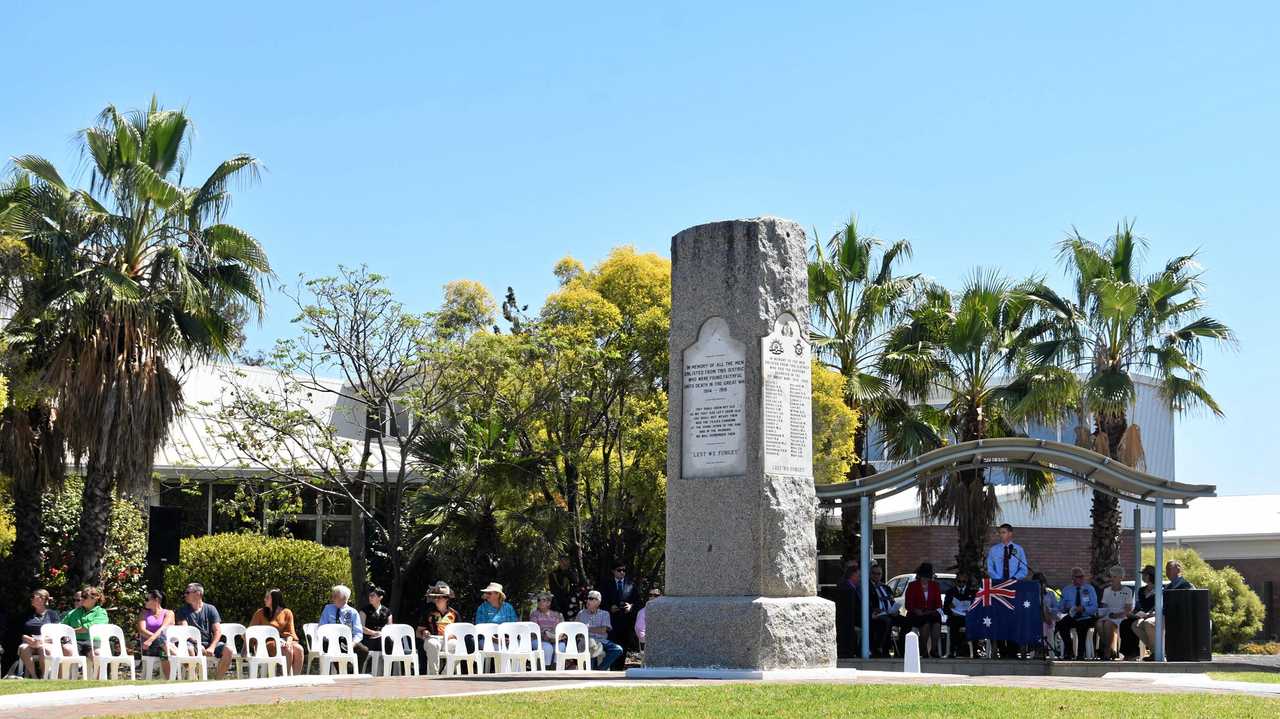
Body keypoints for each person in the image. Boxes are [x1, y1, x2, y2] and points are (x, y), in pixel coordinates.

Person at [177, 582, 231, 678]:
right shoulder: (182, 610)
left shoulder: (211, 609)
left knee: (228, 650)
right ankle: (195, 679)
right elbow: (185, 631)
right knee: (189, 649)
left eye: (187, 592)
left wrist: (212, 647)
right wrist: (198, 644)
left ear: (198, 593)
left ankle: (217, 681)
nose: (185, 595)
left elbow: (218, 631)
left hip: (208, 643)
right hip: (191, 643)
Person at [250, 588, 303, 675]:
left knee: (299, 649)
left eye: (267, 597)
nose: (264, 599)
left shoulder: (287, 612)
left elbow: (290, 632)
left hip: (284, 640)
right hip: (267, 643)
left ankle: (294, 679)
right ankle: (285, 677)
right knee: (287, 650)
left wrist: (288, 642)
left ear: (275, 599)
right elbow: (251, 631)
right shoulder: (260, 613)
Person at [1054, 567, 1099, 660]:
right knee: (1061, 624)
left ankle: (1080, 654)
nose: (1082, 578)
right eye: (1079, 577)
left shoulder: (1089, 589)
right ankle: (1069, 650)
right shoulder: (1067, 590)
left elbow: (1094, 607)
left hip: (1087, 616)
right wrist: (1065, 608)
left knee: (1081, 626)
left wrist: (1083, 608)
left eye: (1083, 576)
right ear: (1073, 578)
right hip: (1072, 615)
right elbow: (1060, 607)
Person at [417, 582, 460, 675]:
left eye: (439, 597)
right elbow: (418, 632)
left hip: (448, 641)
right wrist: (424, 632)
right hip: (432, 639)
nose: (436, 599)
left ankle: (445, 674)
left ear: (446, 598)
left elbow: (460, 633)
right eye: (435, 596)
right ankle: (434, 674)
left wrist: (453, 636)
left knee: (459, 646)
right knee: (432, 644)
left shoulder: (454, 613)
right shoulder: (427, 612)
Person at [16, 589, 61, 678]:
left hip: (47, 642)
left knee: (42, 649)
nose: (31, 599)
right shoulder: (27, 614)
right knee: (24, 648)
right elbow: (20, 632)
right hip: (30, 642)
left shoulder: (52, 614)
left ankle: (44, 676)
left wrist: (41, 641)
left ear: (43, 599)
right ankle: (34, 676)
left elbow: (57, 632)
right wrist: (28, 639)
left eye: (33, 597)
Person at [319, 584, 367, 666]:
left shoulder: (352, 612)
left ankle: (353, 671)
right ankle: (342, 672)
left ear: (344, 598)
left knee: (363, 650)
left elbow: (358, 633)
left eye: (336, 596)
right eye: (333, 595)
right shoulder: (328, 608)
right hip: (332, 641)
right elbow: (322, 627)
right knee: (335, 649)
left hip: (348, 641)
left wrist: (353, 643)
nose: (333, 598)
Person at [903, 563, 944, 659]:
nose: (925, 579)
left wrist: (931, 611)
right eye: (923, 577)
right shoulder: (912, 586)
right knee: (925, 624)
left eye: (927, 577)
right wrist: (916, 610)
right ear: (919, 576)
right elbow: (908, 604)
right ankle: (924, 649)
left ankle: (934, 650)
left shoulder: (935, 585)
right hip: (915, 614)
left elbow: (939, 603)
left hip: (930, 612)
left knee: (936, 622)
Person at [576, 590, 623, 670]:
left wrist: (587, 628)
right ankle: (592, 671)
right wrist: (590, 630)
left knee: (618, 649)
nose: (588, 601)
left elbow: (603, 630)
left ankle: (600, 669)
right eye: (587, 598)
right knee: (592, 644)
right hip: (586, 641)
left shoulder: (604, 614)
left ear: (598, 602)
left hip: (602, 641)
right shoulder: (581, 614)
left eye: (591, 598)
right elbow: (576, 630)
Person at [1096, 566, 1133, 660]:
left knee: (1108, 624)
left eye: (1115, 576)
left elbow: (1128, 609)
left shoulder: (1127, 591)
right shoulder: (1106, 590)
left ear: (1121, 577)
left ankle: (1107, 651)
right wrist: (1102, 613)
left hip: (1121, 616)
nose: (1112, 579)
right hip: (1109, 615)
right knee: (1099, 624)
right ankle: (1110, 649)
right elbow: (1104, 606)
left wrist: (1117, 615)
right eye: (1111, 576)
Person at [601, 563, 638, 653]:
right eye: (619, 570)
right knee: (612, 648)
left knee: (623, 647)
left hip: (626, 621)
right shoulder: (606, 584)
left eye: (624, 570)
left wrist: (631, 606)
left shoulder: (631, 584)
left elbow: (638, 601)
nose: (622, 572)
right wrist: (610, 608)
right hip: (611, 621)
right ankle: (612, 666)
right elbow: (601, 602)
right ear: (613, 571)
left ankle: (620, 667)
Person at [62, 586, 109, 657]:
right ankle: (69, 668)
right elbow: (61, 626)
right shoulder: (73, 612)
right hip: (75, 642)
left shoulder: (101, 612)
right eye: (82, 596)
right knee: (66, 648)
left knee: (97, 653)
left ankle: (96, 668)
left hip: (94, 643)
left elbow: (90, 627)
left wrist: (72, 631)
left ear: (94, 599)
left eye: (85, 597)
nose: (81, 598)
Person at [137, 589, 174, 676]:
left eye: (147, 599)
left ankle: (169, 679)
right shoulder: (143, 614)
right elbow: (142, 631)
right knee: (162, 645)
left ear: (156, 600)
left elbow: (163, 628)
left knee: (163, 652)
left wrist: (152, 639)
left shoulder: (169, 613)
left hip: (162, 645)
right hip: (149, 647)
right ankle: (177, 655)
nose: (144, 601)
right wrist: (155, 639)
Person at [1124, 565, 1157, 660]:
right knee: (1133, 625)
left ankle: (1156, 652)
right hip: (1143, 615)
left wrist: (1152, 614)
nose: (1143, 576)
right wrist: (1134, 613)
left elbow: (1159, 605)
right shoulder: (1141, 590)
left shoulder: (1159, 589)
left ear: (1150, 576)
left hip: (1154, 616)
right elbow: (1138, 606)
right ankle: (1152, 650)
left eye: (1145, 574)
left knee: (1147, 623)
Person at [868, 564, 897, 658]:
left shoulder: (886, 587)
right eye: (874, 573)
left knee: (907, 621)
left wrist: (896, 610)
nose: (876, 576)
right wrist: (873, 609)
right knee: (886, 621)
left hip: (889, 613)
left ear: (882, 575)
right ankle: (881, 648)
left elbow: (892, 601)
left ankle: (903, 650)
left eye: (879, 574)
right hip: (876, 614)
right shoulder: (867, 587)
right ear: (870, 574)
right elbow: (865, 603)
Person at [944, 571, 976, 657]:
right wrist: (950, 608)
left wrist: (970, 610)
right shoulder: (950, 592)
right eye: (959, 581)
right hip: (955, 617)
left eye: (964, 581)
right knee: (954, 624)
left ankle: (975, 651)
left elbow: (975, 607)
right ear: (956, 581)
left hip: (968, 617)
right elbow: (945, 610)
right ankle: (953, 651)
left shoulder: (972, 592)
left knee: (975, 624)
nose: (961, 583)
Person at [529, 591, 564, 668]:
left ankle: (556, 670)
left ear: (549, 602)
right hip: (538, 639)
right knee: (548, 648)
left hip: (555, 639)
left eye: (543, 600)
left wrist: (554, 636)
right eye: (539, 600)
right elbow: (535, 630)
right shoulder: (534, 614)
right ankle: (546, 670)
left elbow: (561, 629)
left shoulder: (557, 615)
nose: (540, 602)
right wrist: (547, 634)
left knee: (561, 647)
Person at [1030, 572, 1058, 658]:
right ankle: (1038, 649)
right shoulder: (1030, 594)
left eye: (1042, 582)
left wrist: (1048, 610)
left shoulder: (1050, 593)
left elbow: (1056, 608)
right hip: (1035, 619)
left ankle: (1045, 650)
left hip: (1049, 619)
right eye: (1038, 582)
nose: (1041, 585)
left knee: (1045, 611)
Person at [360, 587, 393, 657]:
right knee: (385, 641)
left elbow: (390, 627)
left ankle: (389, 664)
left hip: (383, 636)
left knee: (389, 641)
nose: (370, 597)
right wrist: (374, 633)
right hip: (368, 638)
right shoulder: (364, 610)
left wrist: (381, 634)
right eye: (369, 595)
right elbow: (361, 628)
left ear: (380, 597)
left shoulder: (387, 611)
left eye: (373, 595)